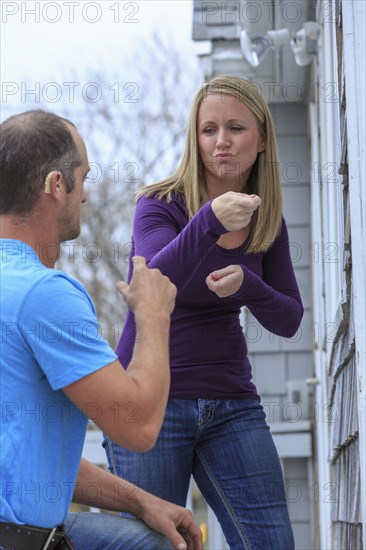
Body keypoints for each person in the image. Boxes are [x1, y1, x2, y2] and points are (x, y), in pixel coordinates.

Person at [104, 75, 304, 549]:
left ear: (260, 139)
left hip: (232, 403)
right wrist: (210, 222)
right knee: (155, 544)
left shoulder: (266, 218)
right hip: (147, 402)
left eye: (235, 128)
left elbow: (289, 318)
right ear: (195, 138)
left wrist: (249, 284)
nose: (221, 143)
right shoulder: (158, 204)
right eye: (208, 129)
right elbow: (152, 280)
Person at [0, 110, 203, 550]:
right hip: (20, 540)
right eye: (83, 177)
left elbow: (34, 460)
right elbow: (139, 425)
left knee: (153, 540)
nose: (85, 196)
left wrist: (138, 500)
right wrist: (152, 315)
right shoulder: (43, 293)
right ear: (56, 185)